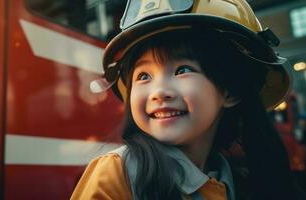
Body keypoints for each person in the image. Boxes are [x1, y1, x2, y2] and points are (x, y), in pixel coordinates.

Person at [71, 0, 306, 199]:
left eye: (182, 70)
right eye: (143, 76)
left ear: (230, 91)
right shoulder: (117, 173)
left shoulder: (239, 182)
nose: (159, 92)